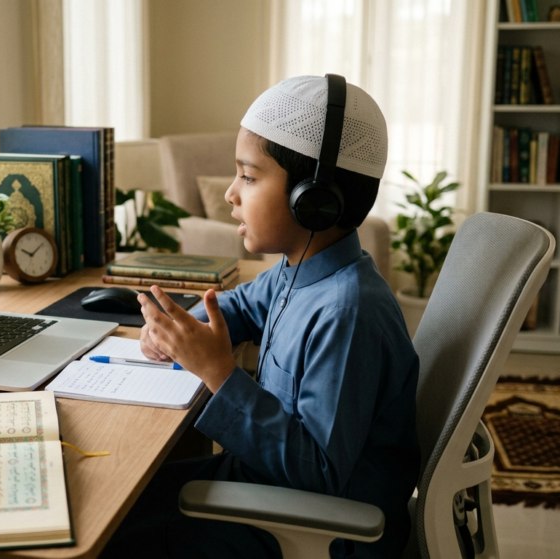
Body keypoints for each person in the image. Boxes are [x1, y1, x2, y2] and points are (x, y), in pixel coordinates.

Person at [102, 76, 420, 559]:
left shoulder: (347, 312)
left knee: (109, 533)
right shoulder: (299, 270)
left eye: (248, 177)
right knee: (117, 496)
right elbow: (241, 306)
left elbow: (318, 473)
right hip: (262, 482)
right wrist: (180, 331)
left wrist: (218, 372)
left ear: (313, 201)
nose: (231, 193)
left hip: (315, 530)